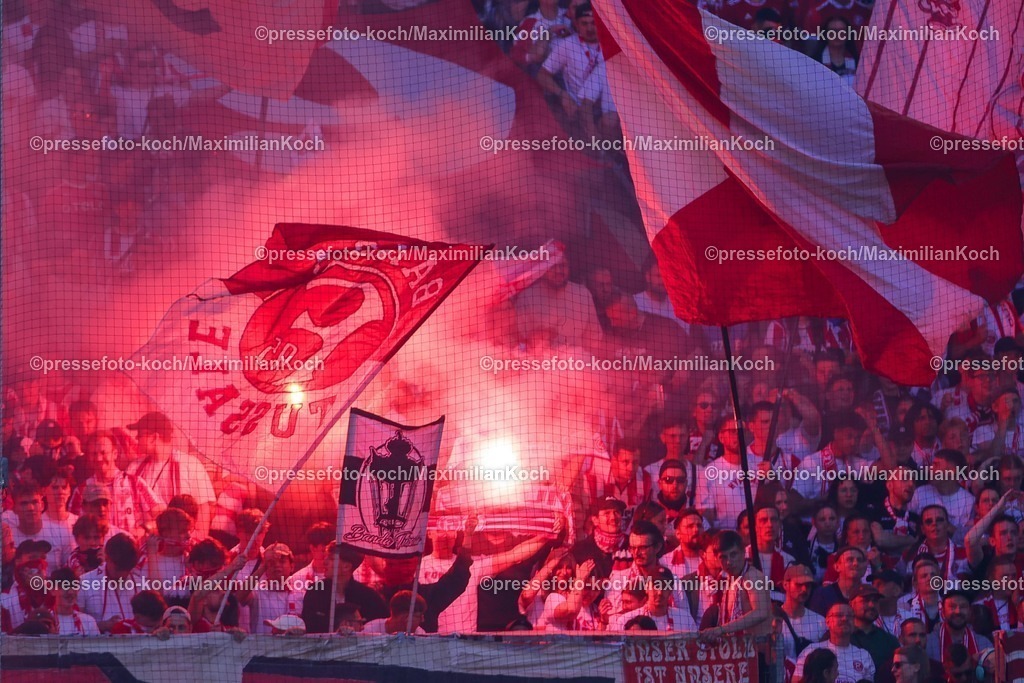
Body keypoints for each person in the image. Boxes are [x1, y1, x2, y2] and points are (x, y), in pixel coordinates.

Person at [125, 412, 215, 535]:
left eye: (139, 435)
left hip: (181, 544)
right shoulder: (134, 468)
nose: (136, 439)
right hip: (142, 543)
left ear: (153, 438)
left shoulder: (191, 465)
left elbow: (202, 515)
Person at [71, 431, 163, 537]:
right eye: (94, 454)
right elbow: (73, 526)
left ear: (115, 454)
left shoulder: (135, 483)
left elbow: (162, 516)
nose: (98, 458)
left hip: (131, 550)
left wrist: (144, 528)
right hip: (98, 551)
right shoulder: (81, 491)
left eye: (103, 452)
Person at [301, 542, 389, 633]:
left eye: (331, 559)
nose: (325, 562)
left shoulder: (369, 597)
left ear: (346, 566)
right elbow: (308, 628)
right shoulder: (315, 591)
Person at [793, 603, 876, 683]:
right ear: (828, 621)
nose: (845, 619)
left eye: (850, 616)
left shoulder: (864, 655)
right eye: (839, 615)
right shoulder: (811, 650)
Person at [78, 533, 144, 633]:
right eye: (118, 569)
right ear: (107, 557)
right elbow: (76, 625)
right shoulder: (84, 582)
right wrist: (102, 625)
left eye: (127, 569)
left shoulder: (140, 584)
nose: (122, 575)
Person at [609, 565, 696, 632]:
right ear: (646, 588)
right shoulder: (625, 620)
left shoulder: (685, 619)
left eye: (665, 587)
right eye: (655, 586)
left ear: (671, 591)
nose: (659, 592)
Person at [925, 592, 992, 668]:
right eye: (952, 607)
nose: (958, 611)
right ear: (942, 612)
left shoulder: (984, 644)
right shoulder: (928, 643)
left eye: (963, 607)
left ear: (970, 612)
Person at [849, 583, 900, 683]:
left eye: (875, 601)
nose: (872, 605)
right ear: (851, 604)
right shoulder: (840, 637)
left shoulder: (889, 641)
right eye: (865, 600)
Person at [778, 564, 828, 663]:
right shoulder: (773, 619)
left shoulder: (821, 622)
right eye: (799, 584)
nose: (805, 589)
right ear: (785, 585)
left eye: (808, 585)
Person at [0, 540, 52, 633]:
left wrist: (41, 589)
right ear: (18, 562)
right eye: (32, 558)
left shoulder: (56, 593)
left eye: (42, 558)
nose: (39, 563)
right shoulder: (4, 598)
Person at [572, 497, 625, 580]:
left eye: (617, 512)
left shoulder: (631, 546)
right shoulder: (580, 550)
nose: (613, 517)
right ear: (595, 520)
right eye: (607, 513)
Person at [807, 546, 868, 616]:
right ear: (837, 567)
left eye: (859, 560)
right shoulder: (821, 595)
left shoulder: (870, 597)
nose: (856, 563)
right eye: (850, 560)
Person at [50, 567, 100, 635]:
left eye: (74, 586)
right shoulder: (46, 621)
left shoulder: (88, 622)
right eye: (65, 586)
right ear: (52, 590)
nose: (70, 592)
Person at [362, 591, 428, 634]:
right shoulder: (369, 631)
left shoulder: (419, 633)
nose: (422, 620)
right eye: (419, 616)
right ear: (405, 617)